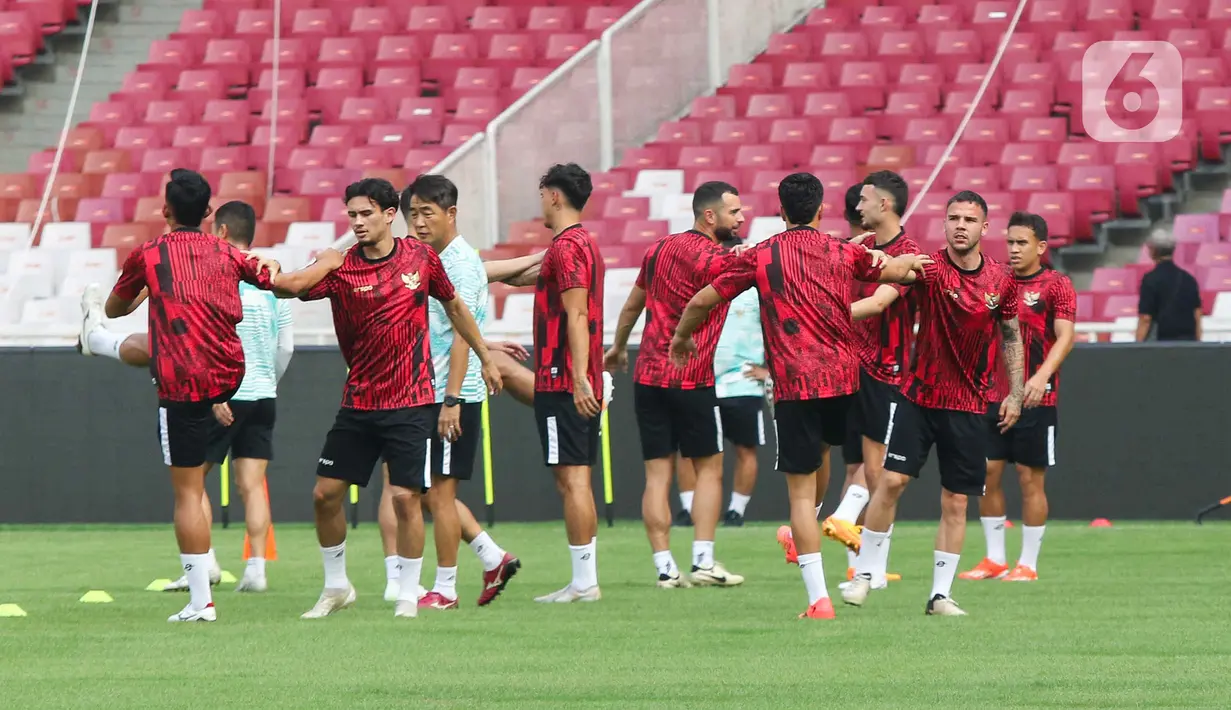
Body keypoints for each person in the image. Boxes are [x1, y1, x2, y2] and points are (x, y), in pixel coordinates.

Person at [671, 172, 930, 620]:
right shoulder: (843, 250)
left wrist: (681, 339)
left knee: (798, 494)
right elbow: (893, 269)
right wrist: (920, 262)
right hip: (844, 383)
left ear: (781, 210)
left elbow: (701, 301)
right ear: (822, 209)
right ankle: (815, 524)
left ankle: (818, 599)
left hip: (795, 386)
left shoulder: (761, 255)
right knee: (825, 458)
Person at [99, 169, 335, 622]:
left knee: (188, 493)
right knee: (247, 483)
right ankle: (251, 568)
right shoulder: (228, 253)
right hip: (230, 378)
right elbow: (288, 287)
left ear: (165, 210)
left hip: (184, 387)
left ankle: (199, 600)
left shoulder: (148, 254)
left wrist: (148, 290)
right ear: (208, 213)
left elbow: (115, 307)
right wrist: (327, 260)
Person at [283, 178, 500, 620]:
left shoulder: (420, 258)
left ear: (388, 215)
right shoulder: (341, 267)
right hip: (360, 400)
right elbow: (291, 288)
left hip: (412, 400)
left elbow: (456, 307)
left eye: (366, 214)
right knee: (324, 495)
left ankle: (407, 593)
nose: (358, 223)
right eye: (352, 216)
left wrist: (485, 357)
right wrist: (286, 267)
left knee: (406, 498)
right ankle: (337, 586)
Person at [80, 199, 292, 594]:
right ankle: (257, 570)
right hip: (262, 392)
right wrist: (269, 383)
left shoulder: (209, 268)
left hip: (216, 391)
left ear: (222, 230)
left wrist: (218, 393)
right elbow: (286, 348)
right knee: (252, 486)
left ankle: (204, 567)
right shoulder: (263, 280)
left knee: (193, 485)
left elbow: (201, 341)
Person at [843, 190, 1024, 617]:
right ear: (943, 223)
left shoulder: (1002, 280)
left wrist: (1015, 391)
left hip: (969, 404)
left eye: (969, 219)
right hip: (918, 396)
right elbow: (882, 292)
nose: (960, 225)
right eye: (953, 217)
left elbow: (1012, 335)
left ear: (985, 227)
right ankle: (866, 573)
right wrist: (842, 268)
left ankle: (940, 595)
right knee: (890, 483)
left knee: (957, 501)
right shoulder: (926, 269)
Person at [371, 175, 522, 611]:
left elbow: (458, 335)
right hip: (427, 390)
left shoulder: (458, 264)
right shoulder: (434, 259)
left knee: (436, 494)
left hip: (447, 395)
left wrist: (452, 400)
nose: (417, 223)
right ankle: (491, 558)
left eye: (426, 213)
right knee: (426, 493)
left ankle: (446, 588)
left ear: (450, 214)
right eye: (412, 214)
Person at [605, 181, 747, 589]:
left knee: (657, 475)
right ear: (710, 216)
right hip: (692, 378)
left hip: (648, 377)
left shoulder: (658, 249)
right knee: (709, 470)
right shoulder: (717, 259)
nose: (740, 218)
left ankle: (665, 568)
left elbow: (633, 303)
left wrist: (617, 348)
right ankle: (703, 561)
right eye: (734, 212)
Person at [960, 212, 1076, 582]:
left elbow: (1066, 336)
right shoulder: (994, 281)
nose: (1013, 249)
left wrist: (1042, 376)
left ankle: (1028, 562)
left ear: (1040, 247)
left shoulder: (1056, 285)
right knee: (987, 474)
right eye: (1009, 242)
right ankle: (995, 558)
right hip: (992, 394)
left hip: (1036, 397)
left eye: (1021, 242)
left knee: (1029, 478)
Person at [825, 171, 918, 585]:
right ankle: (858, 564)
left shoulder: (910, 253)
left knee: (879, 468)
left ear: (884, 204)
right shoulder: (856, 248)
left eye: (862, 200)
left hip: (889, 371)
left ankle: (872, 566)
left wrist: (818, 317)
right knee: (856, 465)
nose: (855, 207)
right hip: (850, 367)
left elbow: (880, 303)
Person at [531, 163, 605, 604]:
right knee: (575, 478)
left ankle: (584, 583)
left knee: (573, 479)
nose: (539, 202)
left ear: (554, 196)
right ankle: (583, 579)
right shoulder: (577, 244)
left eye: (542, 194)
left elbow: (576, 313)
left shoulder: (568, 247)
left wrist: (577, 378)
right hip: (567, 377)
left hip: (562, 379)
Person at [1136, 229, 1203, 342]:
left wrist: (1137, 346)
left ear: (1153, 251)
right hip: (1188, 342)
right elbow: (1197, 313)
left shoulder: (1150, 279)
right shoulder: (1188, 279)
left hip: (1163, 343)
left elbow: (1145, 319)